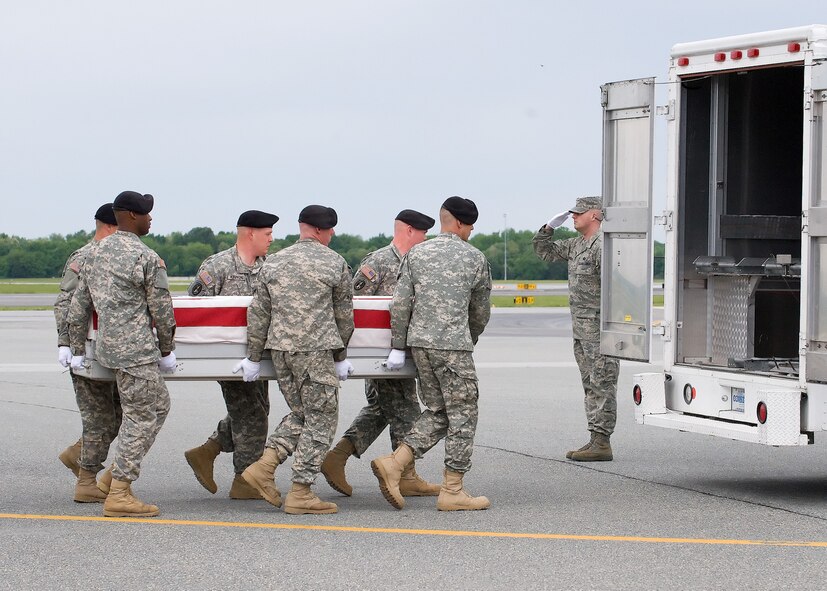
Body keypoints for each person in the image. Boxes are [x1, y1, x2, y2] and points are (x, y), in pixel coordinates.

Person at [371, 196, 492, 512]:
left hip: (419, 344)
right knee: (464, 411)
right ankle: (453, 489)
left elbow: (400, 305)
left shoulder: (416, 254)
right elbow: (479, 311)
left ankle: (396, 463)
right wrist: (469, 338)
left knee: (439, 409)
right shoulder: (474, 258)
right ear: (463, 224)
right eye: (470, 227)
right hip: (452, 345)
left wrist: (400, 345)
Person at [237, 205, 354, 515]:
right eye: (330, 231)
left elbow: (259, 314)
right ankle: (301, 490)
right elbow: (344, 317)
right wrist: (341, 356)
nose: (331, 236)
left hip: (281, 352)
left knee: (303, 413)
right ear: (321, 230)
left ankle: (264, 466)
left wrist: (252, 356)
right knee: (322, 419)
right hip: (315, 350)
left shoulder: (273, 262)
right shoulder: (334, 262)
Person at [67, 190, 177, 517]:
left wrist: (74, 348)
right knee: (143, 414)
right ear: (130, 216)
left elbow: (78, 307)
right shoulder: (145, 257)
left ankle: (107, 482)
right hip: (136, 349)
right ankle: (120, 490)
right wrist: (167, 348)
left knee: (156, 405)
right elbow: (162, 309)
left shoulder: (93, 254)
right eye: (146, 213)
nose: (151, 218)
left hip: (107, 348)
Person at [321, 209, 440, 498]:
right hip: (379, 354)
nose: (426, 239)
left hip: (402, 352)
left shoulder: (417, 262)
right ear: (410, 231)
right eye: (423, 233)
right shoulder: (378, 263)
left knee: (383, 410)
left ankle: (338, 457)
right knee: (405, 410)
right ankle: (405, 475)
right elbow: (353, 306)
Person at [183, 210, 278, 500]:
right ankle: (244, 480)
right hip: (226, 356)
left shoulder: (269, 267)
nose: (272, 239)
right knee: (252, 414)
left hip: (258, 355)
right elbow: (194, 309)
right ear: (250, 233)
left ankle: (207, 451)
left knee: (255, 410)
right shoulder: (218, 266)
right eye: (267, 234)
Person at [532, 196, 619, 461]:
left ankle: (602, 442)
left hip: (599, 328)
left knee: (602, 383)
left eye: (578, 213)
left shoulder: (602, 245)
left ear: (594, 215)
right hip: (581, 329)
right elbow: (543, 252)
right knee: (590, 384)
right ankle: (595, 437)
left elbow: (614, 288)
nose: (573, 217)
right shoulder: (576, 245)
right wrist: (548, 228)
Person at [54, 203, 122, 502]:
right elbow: (65, 302)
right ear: (111, 226)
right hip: (87, 351)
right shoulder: (84, 257)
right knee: (100, 419)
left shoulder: (114, 256)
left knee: (117, 415)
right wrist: (67, 344)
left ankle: (77, 455)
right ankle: (87, 480)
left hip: (114, 349)